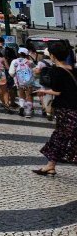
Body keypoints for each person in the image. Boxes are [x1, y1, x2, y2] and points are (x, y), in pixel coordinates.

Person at [33, 39, 77, 175]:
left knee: (61, 136)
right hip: (75, 108)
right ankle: (50, 165)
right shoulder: (74, 70)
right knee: (62, 136)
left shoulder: (55, 71)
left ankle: (51, 164)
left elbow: (58, 92)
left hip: (65, 109)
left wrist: (43, 91)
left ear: (52, 56)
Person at [11, 48, 37, 117]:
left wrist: (15, 76)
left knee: (21, 95)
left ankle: (22, 107)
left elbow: (11, 73)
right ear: (26, 54)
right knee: (29, 96)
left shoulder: (14, 61)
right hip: (29, 82)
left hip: (20, 82)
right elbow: (35, 70)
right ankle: (28, 112)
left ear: (19, 54)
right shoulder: (29, 62)